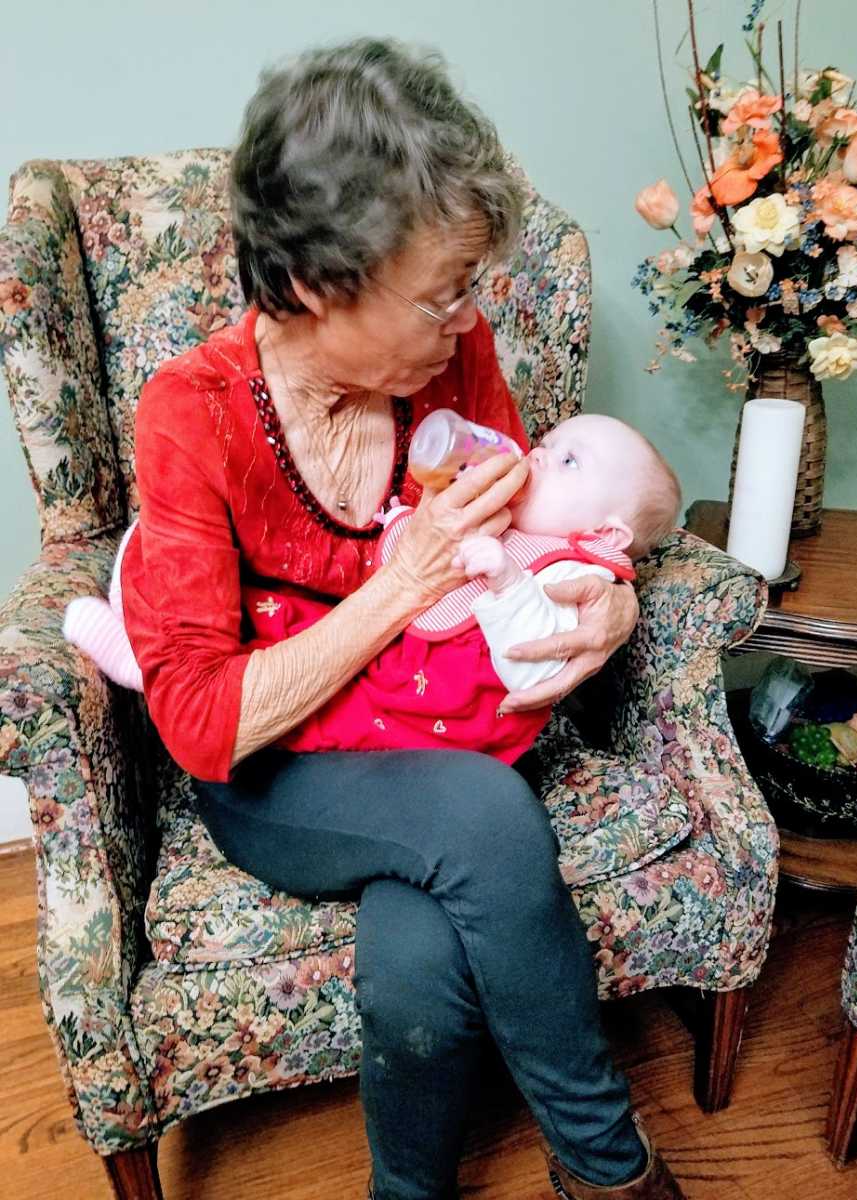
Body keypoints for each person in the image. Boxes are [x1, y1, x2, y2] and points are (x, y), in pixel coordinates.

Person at [108, 39, 685, 1200]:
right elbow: (201, 725)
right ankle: (614, 1175)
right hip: (281, 774)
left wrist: (611, 603)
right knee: (481, 821)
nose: (471, 319)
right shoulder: (193, 415)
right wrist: (400, 586)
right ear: (320, 285)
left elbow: (542, 523)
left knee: (421, 948)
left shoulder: (452, 363)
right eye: (441, 294)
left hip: (440, 739)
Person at [65, 414, 681, 766]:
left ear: (607, 530)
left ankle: (143, 670)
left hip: (441, 719)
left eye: (569, 462)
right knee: (283, 624)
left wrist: (506, 579)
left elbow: (535, 661)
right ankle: (162, 653)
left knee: (318, 706)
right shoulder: (515, 521)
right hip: (397, 659)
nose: (539, 458)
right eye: (547, 444)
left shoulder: (574, 567)